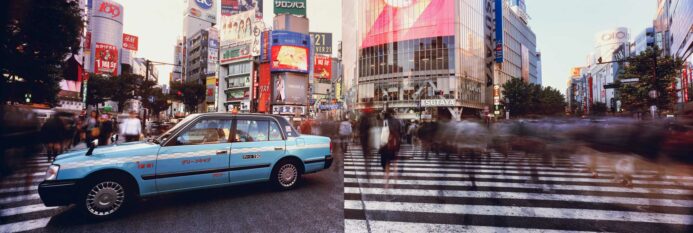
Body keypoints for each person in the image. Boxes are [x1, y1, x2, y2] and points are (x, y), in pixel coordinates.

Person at [379, 108, 402, 188]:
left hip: (387, 145)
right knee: (395, 163)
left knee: (387, 164)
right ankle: (395, 181)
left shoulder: (385, 121)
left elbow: (382, 134)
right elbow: (401, 133)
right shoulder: (397, 121)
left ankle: (386, 184)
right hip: (396, 144)